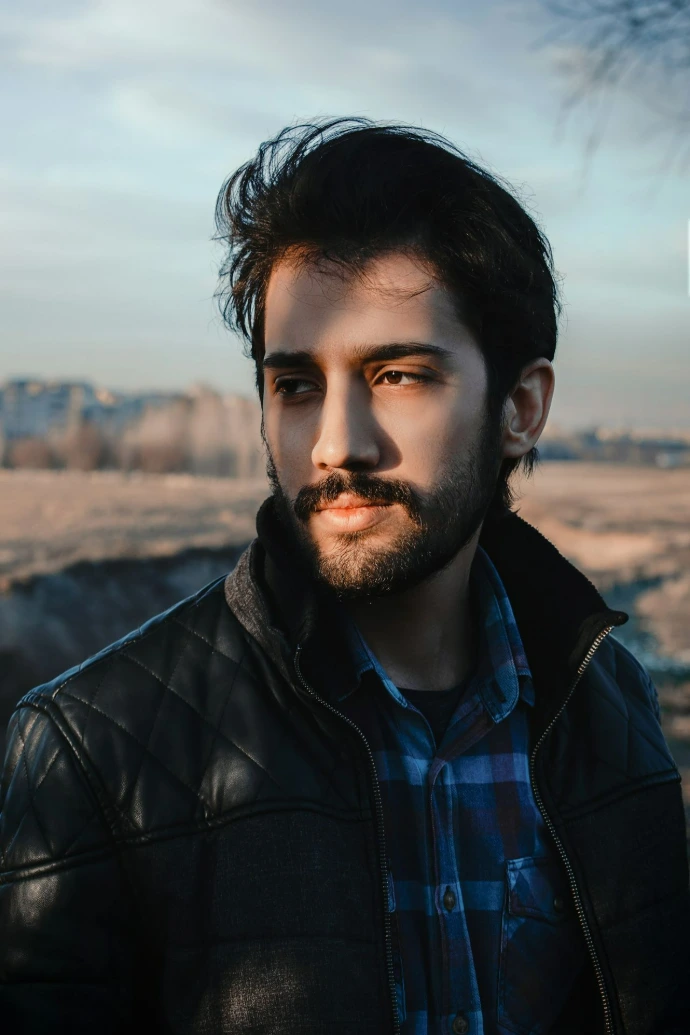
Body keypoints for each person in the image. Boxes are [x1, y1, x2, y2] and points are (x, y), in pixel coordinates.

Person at [0, 119, 687, 1035]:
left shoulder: (615, 708)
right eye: (295, 386)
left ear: (521, 409)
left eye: (397, 373)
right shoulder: (89, 753)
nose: (335, 445)